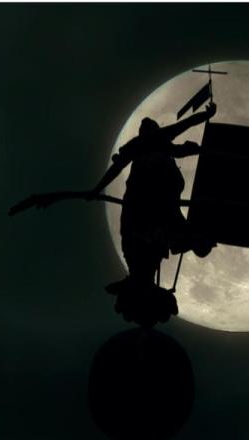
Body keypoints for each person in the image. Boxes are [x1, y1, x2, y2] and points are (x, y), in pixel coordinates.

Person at [87, 102, 218, 325]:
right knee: (145, 240)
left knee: (146, 236)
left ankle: (182, 242)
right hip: (148, 201)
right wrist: (96, 189)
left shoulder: (147, 144)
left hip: (153, 200)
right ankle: (147, 272)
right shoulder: (151, 143)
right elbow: (116, 169)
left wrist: (204, 120)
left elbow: (116, 169)